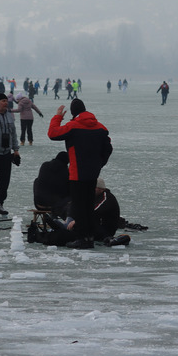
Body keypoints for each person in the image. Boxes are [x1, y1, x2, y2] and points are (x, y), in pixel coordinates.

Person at [47, 99, 113, 249]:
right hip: (92, 173)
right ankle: (89, 236)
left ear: (73, 112)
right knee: (88, 205)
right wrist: (99, 164)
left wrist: (57, 117)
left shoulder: (73, 126)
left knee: (78, 206)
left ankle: (83, 238)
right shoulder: (100, 127)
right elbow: (108, 148)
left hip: (77, 173)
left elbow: (52, 133)